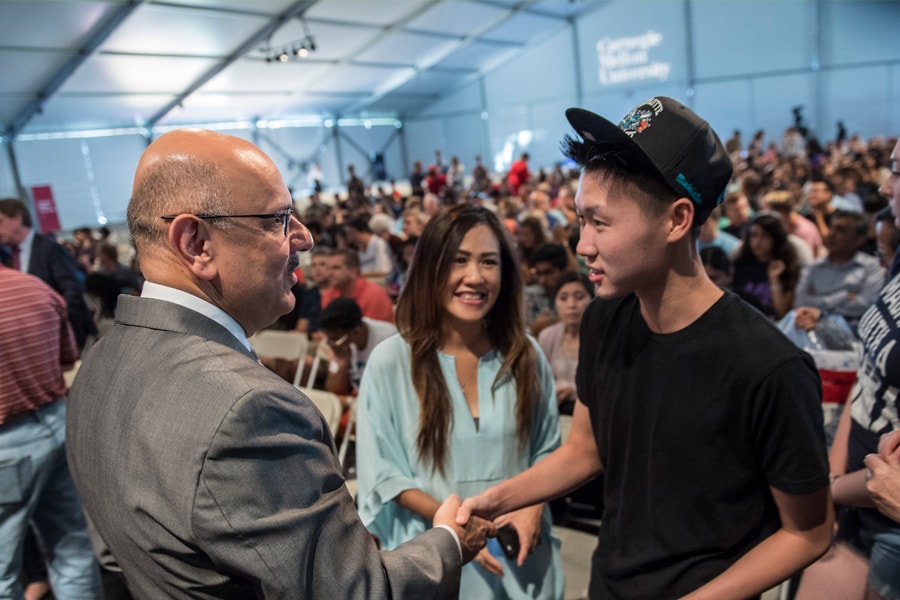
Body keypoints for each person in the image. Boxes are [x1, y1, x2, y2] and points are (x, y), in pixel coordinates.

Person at [65, 129, 493, 599]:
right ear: (196, 243)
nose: (304, 238)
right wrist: (450, 542)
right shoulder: (247, 409)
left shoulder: (101, 360)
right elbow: (356, 591)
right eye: (278, 219)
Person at [457, 96, 833, 599]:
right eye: (580, 221)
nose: (582, 244)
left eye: (600, 223)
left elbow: (809, 531)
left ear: (677, 220)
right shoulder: (604, 318)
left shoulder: (769, 366)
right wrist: (496, 500)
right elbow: (585, 451)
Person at [356, 204, 565, 599]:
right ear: (431, 268)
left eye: (489, 262)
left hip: (520, 556)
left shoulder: (526, 356)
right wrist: (456, 532)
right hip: (435, 556)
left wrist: (532, 507)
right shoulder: (391, 361)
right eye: (459, 261)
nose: (475, 277)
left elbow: (549, 450)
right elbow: (384, 472)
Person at [0, 264, 102, 598]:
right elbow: (68, 359)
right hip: (56, 423)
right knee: (72, 548)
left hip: (8, 443)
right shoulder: (36, 288)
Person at [0, 198, 96, 349]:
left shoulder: (50, 249)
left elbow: (73, 290)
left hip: (67, 338)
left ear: (17, 218)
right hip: (37, 341)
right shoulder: (9, 257)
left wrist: (51, 323)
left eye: (1, 221)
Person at [792, 209, 884, 331]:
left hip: (852, 333)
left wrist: (819, 310)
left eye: (841, 230)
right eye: (831, 228)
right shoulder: (813, 267)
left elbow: (867, 305)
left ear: (859, 239)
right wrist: (843, 296)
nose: (831, 234)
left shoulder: (872, 267)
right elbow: (800, 301)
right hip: (809, 327)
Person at [537, 270, 594, 415]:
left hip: (592, 413)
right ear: (555, 302)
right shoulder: (547, 336)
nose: (571, 304)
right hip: (554, 411)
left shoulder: (602, 338)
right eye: (563, 298)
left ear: (592, 299)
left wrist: (574, 391)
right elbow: (538, 380)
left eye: (579, 297)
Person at [319, 297, 397, 397]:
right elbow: (333, 390)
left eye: (334, 339)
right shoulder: (340, 345)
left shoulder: (388, 340)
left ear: (355, 332)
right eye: (328, 339)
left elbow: (390, 390)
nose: (329, 344)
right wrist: (341, 364)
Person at [732, 212, 801, 318]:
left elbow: (782, 312)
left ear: (776, 238)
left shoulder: (787, 266)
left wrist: (774, 279)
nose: (758, 242)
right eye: (754, 235)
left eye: (765, 236)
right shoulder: (741, 263)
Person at [320, 248, 394, 323]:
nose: (329, 273)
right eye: (328, 268)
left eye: (336, 268)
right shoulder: (328, 295)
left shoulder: (375, 294)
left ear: (353, 271)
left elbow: (373, 332)